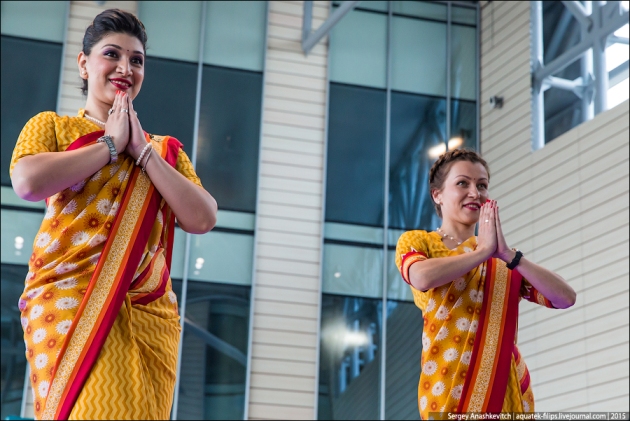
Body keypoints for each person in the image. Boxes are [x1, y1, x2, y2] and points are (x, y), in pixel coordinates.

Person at [10, 9, 218, 420]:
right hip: (69, 300)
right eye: (113, 55)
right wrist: (108, 145)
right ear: (85, 63)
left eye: (137, 60)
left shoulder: (165, 151)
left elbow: (203, 217)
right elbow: (28, 182)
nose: (126, 68)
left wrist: (141, 152)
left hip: (148, 312)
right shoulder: (52, 126)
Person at [395, 149, 576, 419]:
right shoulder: (419, 242)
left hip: (502, 388)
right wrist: (482, 252)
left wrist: (509, 256)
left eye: (482, 185)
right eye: (462, 183)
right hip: (448, 388)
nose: (474, 192)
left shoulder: (504, 260)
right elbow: (421, 277)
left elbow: (565, 297)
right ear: (437, 195)